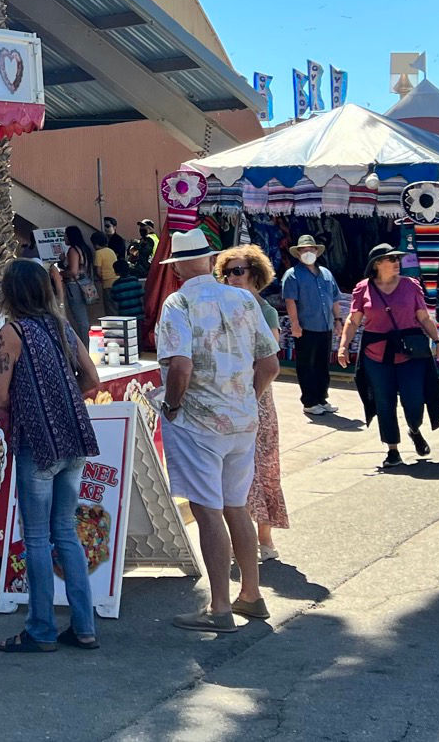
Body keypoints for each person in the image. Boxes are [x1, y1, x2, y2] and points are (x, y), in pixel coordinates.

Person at [155, 228, 280, 632]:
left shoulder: (180, 301)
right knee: (235, 506)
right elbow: (270, 365)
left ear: (177, 268)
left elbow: (181, 366)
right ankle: (251, 594)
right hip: (241, 419)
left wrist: (172, 406)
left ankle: (221, 606)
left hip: (199, 421)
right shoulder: (244, 298)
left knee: (208, 511)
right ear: (209, 261)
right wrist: (247, 397)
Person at [0, 259, 101, 653]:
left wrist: (33, 401)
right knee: (66, 532)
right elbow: (92, 379)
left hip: (37, 443)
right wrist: (61, 397)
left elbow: (0, 395)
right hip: (74, 437)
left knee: (36, 538)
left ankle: (41, 629)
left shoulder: (12, 332)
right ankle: (84, 626)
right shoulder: (62, 327)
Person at [338, 243, 439, 468]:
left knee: (414, 400)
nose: (397, 263)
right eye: (391, 259)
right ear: (377, 264)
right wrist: (343, 346)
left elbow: (424, 318)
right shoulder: (363, 288)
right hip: (376, 354)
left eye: (398, 259)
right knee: (384, 401)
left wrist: (438, 342)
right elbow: (353, 320)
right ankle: (392, 450)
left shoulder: (410, 285)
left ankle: (414, 428)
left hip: (411, 352)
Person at [219, 244, 290, 563]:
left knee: (262, 464)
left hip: (256, 394)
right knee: (234, 469)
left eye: (238, 271)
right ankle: (241, 541)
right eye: (226, 272)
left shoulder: (265, 310)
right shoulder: (220, 308)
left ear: (255, 274)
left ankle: (265, 539)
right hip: (227, 393)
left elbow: (269, 359)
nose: (231, 278)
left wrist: (252, 394)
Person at [279, 234, 343, 417]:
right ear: (298, 254)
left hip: (325, 326)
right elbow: (290, 301)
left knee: (323, 364)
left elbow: (335, 299)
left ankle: (322, 398)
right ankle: (309, 401)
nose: (308, 252)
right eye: (304, 250)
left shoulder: (326, 274)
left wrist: (338, 320)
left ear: (317, 251)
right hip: (306, 327)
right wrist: (295, 325)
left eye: (311, 249)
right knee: (307, 365)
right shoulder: (292, 275)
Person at [58, 226, 96, 342]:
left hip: (75, 286)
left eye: (65, 235)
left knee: (80, 319)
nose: (64, 238)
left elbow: (73, 271)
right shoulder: (85, 249)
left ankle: (85, 346)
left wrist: (61, 273)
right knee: (83, 318)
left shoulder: (73, 250)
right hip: (86, 284)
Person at [90, 231, 120, 298]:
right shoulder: (111, 251)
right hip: (117, 281)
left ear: (95, 244)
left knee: (109, 305)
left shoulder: (98, 253)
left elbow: (98, 271)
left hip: (107, 283)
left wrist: (100, 279)